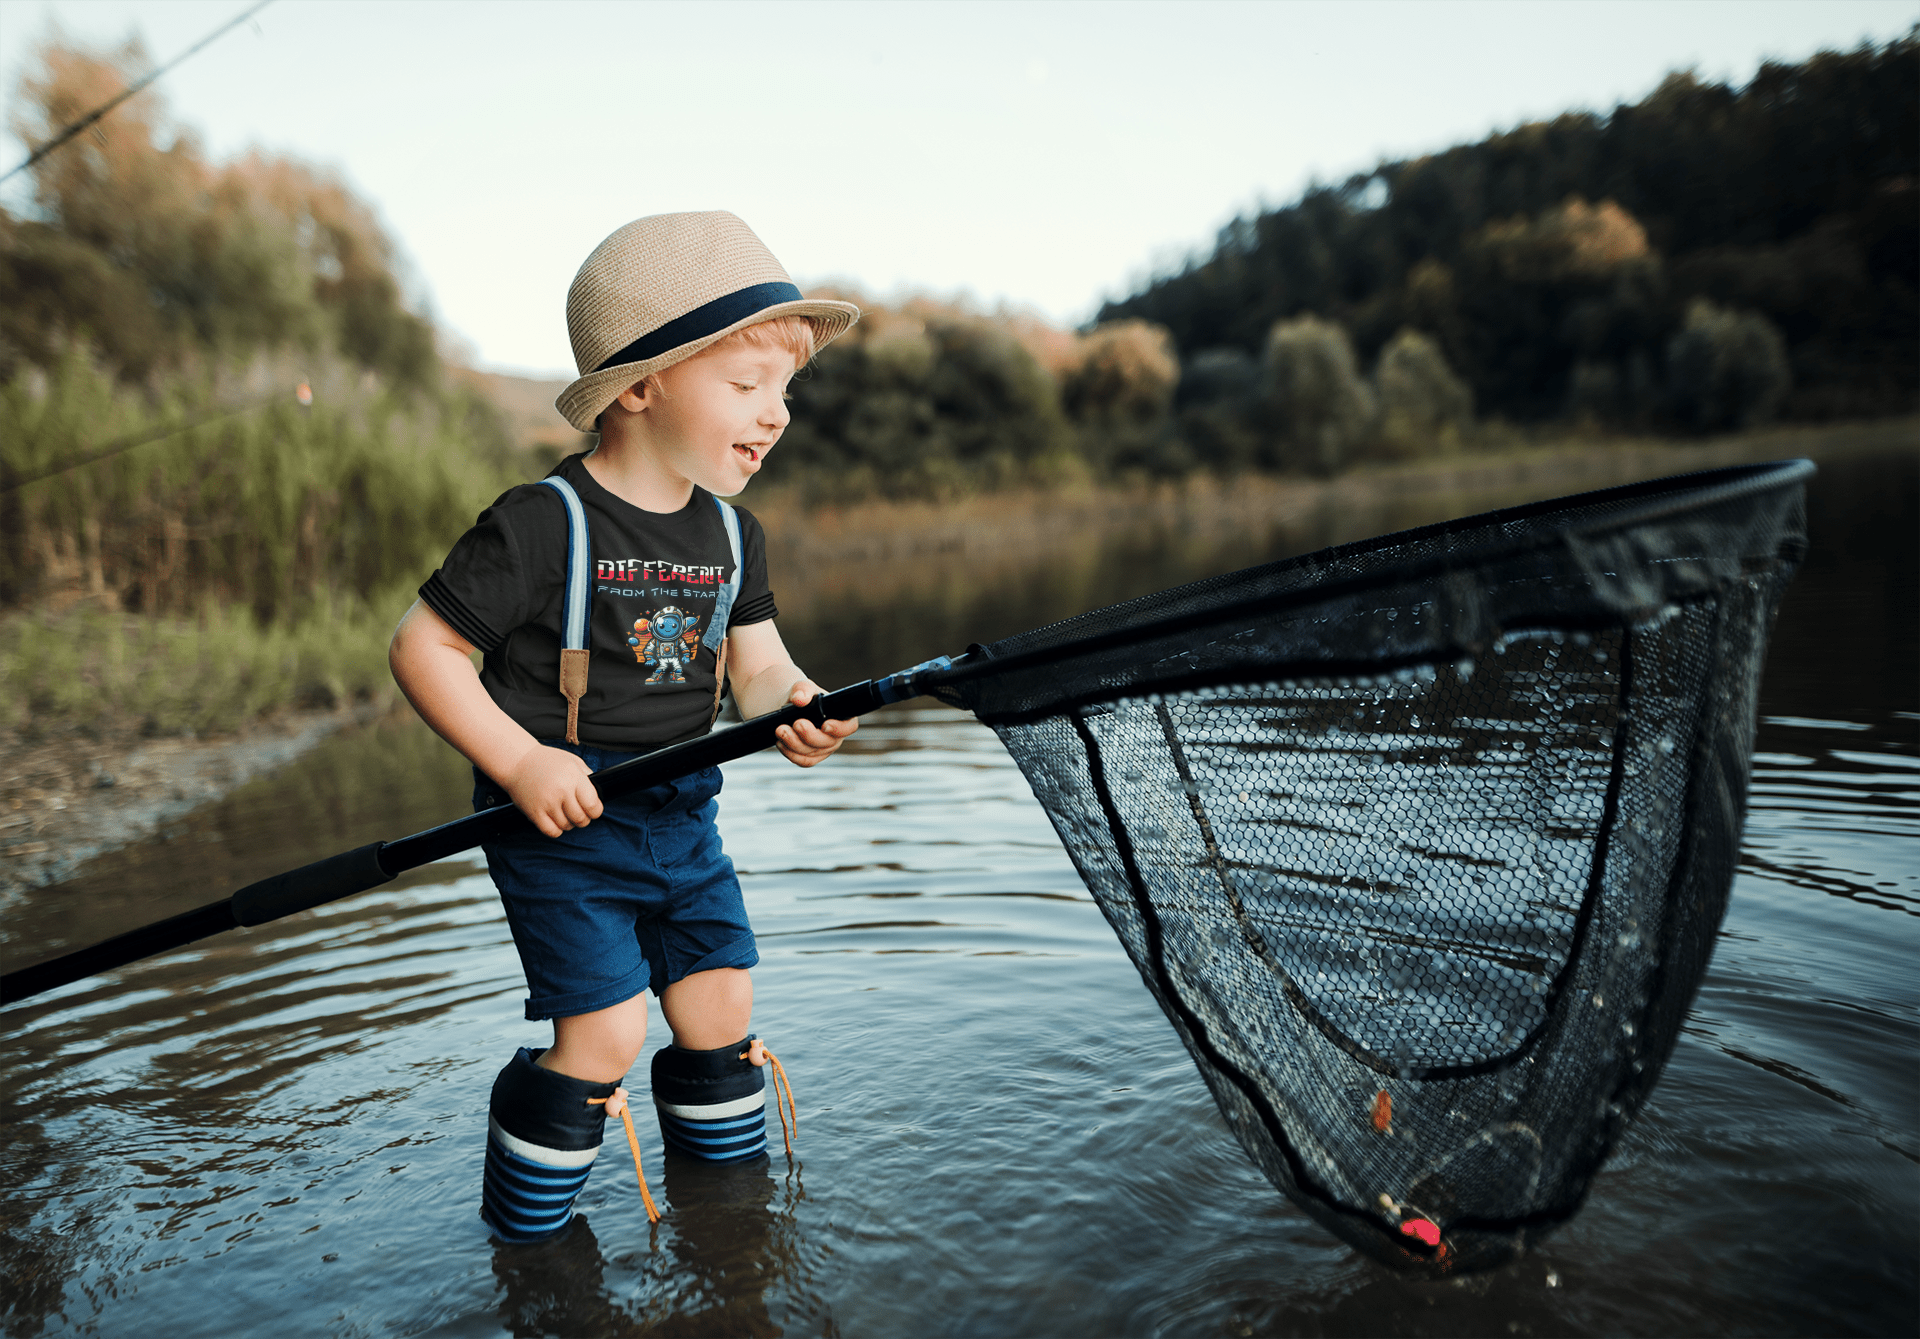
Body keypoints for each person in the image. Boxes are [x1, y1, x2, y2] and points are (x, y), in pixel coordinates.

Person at [388, 212, 861, 1242]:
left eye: (785, 390)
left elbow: (759, 666)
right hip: (561, 822)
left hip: (682, 812)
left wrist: (794, 705)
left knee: (720, 1007)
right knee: (602, 1033)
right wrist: (520, 760)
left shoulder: (734, 534)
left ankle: (728, 1230)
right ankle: (528, 1249)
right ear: (640, 387)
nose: (775, 413)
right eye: (748, 384)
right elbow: (423, 648)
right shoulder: (540, 523)